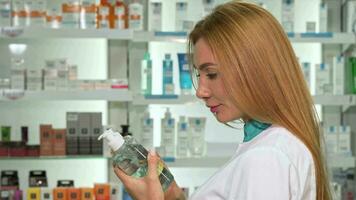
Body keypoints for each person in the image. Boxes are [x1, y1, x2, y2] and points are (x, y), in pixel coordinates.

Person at [114, 1, 332, 199]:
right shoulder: (273, 144)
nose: (200, 92)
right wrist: (173, 195)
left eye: (212, 74)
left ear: (254, 69)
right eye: (200, 75)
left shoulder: (266, 158)